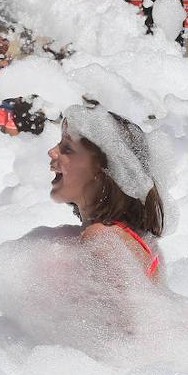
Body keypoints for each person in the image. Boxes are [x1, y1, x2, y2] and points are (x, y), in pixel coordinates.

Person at [49, 105, 165, 281]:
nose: (52, 151)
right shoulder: (125, 237)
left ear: (102, 173)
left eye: (67, 149)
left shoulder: (101, 241)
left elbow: (124, 309)